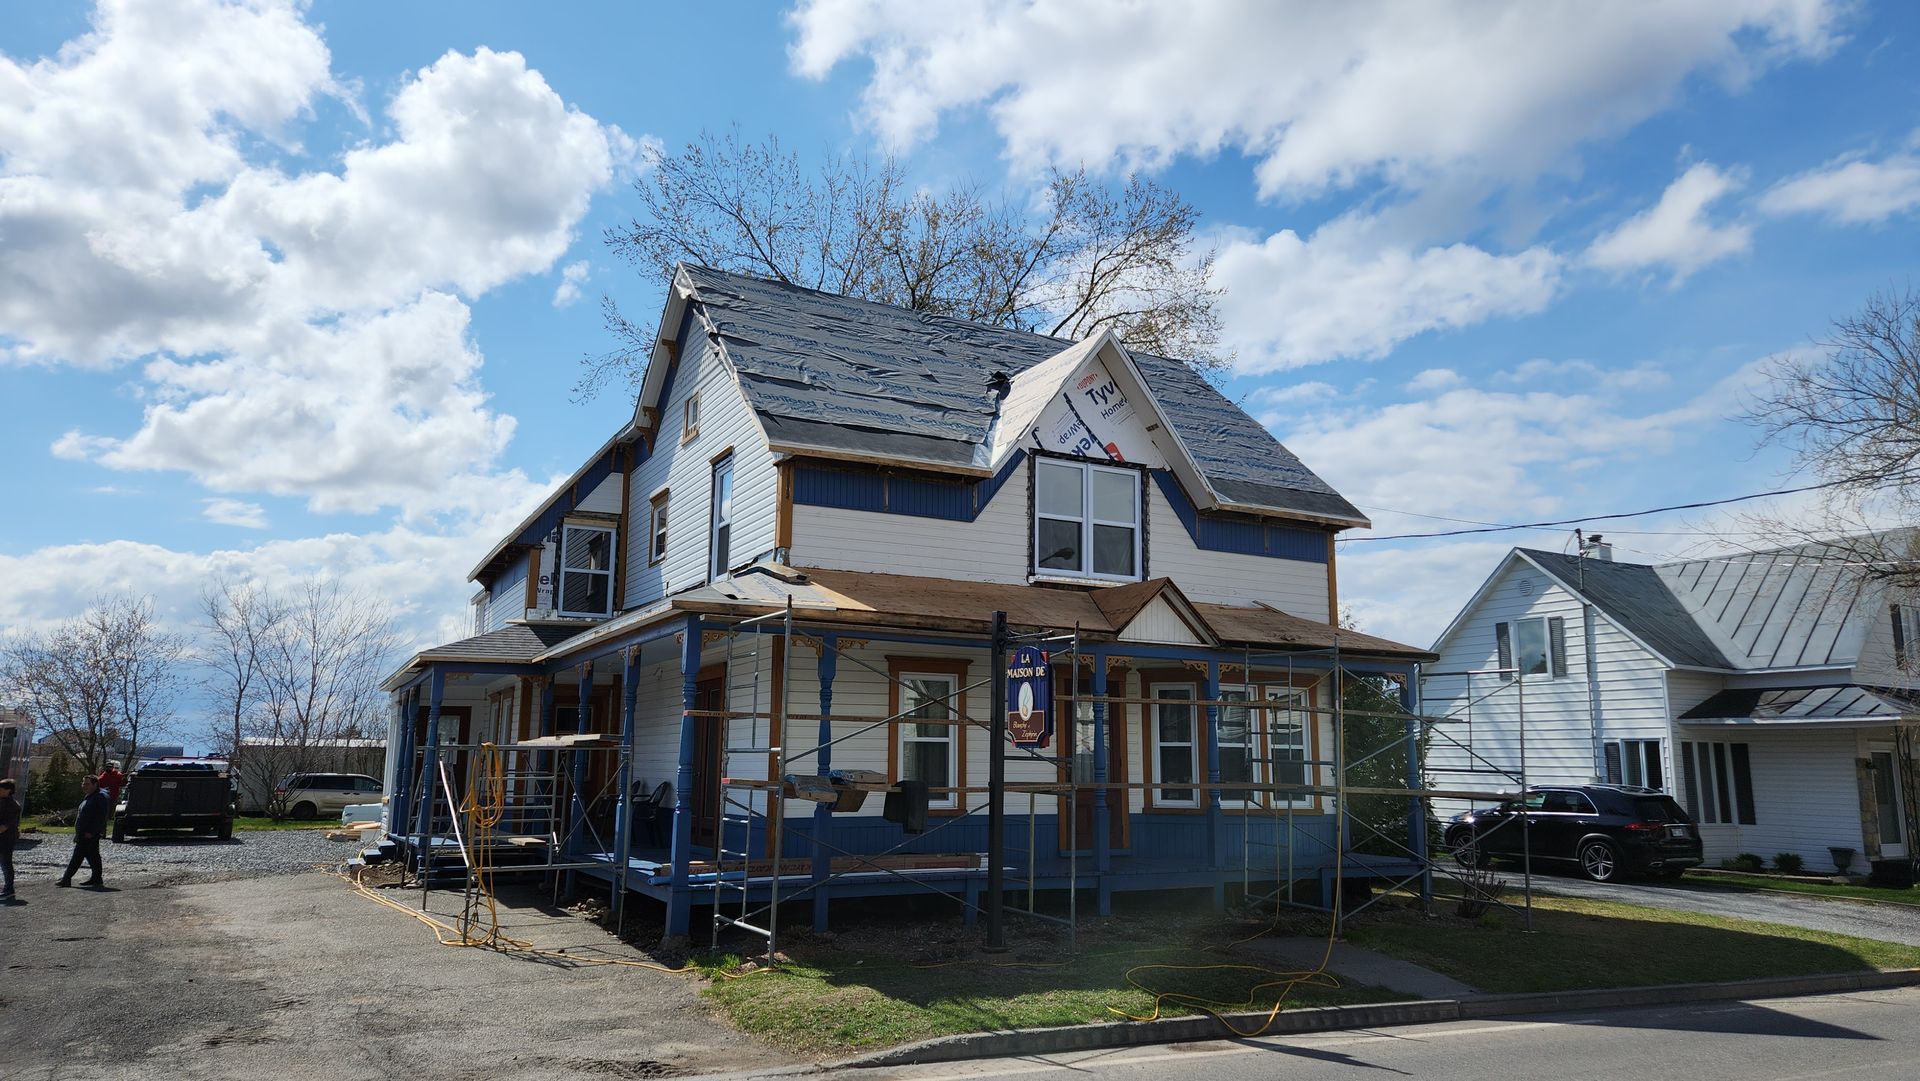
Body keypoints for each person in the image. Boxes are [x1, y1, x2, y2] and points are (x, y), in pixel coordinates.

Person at [60, 775, 111, 888]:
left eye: (87, 784)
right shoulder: (90, 796)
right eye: (83, 783)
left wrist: (92, 831)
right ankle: (96, 879)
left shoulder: (100, 797)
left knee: (78, 856)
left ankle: (66, 879)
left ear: (95, 784)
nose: (84, 786)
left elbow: (101, 817)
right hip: (83, 833)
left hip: (89, 834)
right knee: (92, 856)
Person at [0, 777, 20, 900]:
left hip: (7, 838)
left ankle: (9, 888)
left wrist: (3, 827)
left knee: (6, 863)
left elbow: (7, 824)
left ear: (8, 790)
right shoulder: (1, 801)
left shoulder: (13, 805)